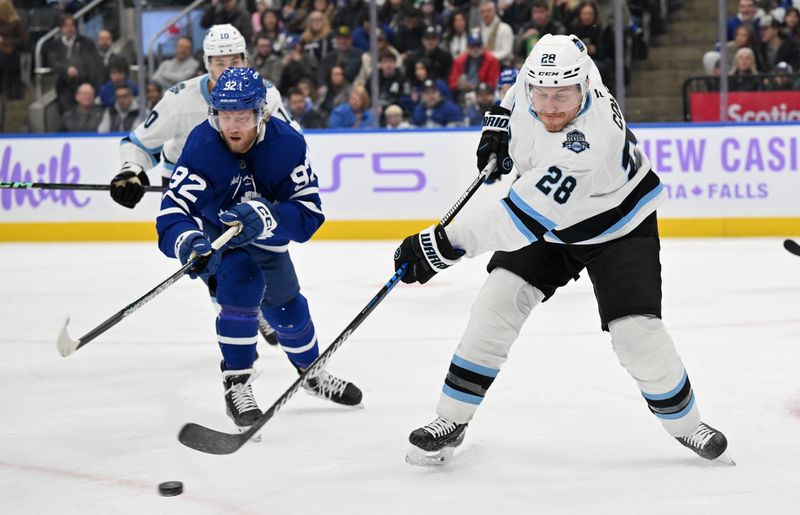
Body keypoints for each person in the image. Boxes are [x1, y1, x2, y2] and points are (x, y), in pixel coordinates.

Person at [393, 34, 730, 466]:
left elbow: (517, 221)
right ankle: (452, 419)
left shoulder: (587, 143)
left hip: (617, 226)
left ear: (585, 87)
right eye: (542, 95)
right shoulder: (553, 75)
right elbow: (530, 80)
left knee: (635, 336)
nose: (550, 106)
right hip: (552, 226)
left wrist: (442, 244)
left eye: (562, 97)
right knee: (496, 303)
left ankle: (687, 425)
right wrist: (500, 116)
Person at [156, 67, 363, 433]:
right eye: (224, 115)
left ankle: (311, 374)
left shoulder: (287, 145)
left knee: (289, 308)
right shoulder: (202, 146)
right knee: (242, 281)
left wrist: (269, 216)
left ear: (261, 113)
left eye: (242, 116)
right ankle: (236, 384)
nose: (232, 126)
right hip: (217, 239)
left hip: (268, 240)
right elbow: (173, 211)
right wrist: (187, 240)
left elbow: (309, 215)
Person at [109, 24, 298, 346]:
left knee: (261, 249)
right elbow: (140, 143)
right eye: (219, 62)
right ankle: (244, 311)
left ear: (246, 59)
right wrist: (132, 172)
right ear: (207, 63)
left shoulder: (264, 92)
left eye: (234, 61)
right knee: (213, 259)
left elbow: (290, 139)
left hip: (242, 183)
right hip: (192, 186)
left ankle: (259, 303)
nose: (227, 68)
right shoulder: (180, 98)